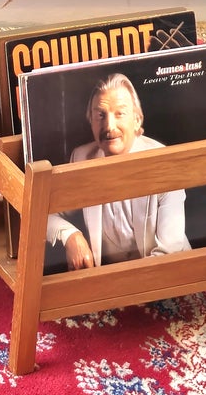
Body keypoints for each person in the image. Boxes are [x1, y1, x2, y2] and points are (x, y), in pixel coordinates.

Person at [46, 72, 190, 269]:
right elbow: (43, 213)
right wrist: (71, 236)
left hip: (170, 280)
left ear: (137, 120)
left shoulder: (166, 163)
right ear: (91, 122)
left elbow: (169, 250)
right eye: (100, 115)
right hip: (107, 284)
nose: (109, 126)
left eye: (120, 113)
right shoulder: (80, 158)